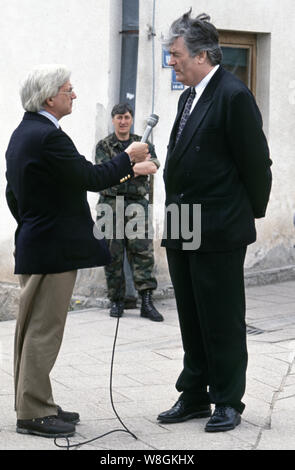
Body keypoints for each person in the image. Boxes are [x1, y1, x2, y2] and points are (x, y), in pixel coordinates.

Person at [5, 65, 152, 438]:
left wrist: (33, 223)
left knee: (32, 327)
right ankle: (33, 413)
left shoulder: (24, 133)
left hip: (37, 241)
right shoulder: (48, 137)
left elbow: (12, 194)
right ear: (49, 97)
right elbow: (89, 177)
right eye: (69, 90)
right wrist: (130, 158)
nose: (75, 95)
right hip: (51, 247)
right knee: (44, 330)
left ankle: (36, 401)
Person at [158, 11, 272, 432]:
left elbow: (257, 166)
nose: (172, 62)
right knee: (190, 313)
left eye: (176, 55)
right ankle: (193, 394)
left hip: (219, 226)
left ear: (203, 54)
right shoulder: (189, 97)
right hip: (183, 220)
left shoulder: (233, 95)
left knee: (221, 317)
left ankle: (227, 400)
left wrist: (241, 215)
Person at [95, 103, 164, 322]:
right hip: (110, 205)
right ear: (113, 120)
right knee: (112, 254)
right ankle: (116, 300)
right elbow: (104, 174)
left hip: (137, 206)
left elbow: (152, 167)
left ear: (131, 119)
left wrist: (123, 168)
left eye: (126, 117)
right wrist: (134, 167)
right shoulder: (104, 145)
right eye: (118, 117)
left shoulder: (142, 144)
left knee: (142, 253)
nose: (123, 121)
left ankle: (146, 301)